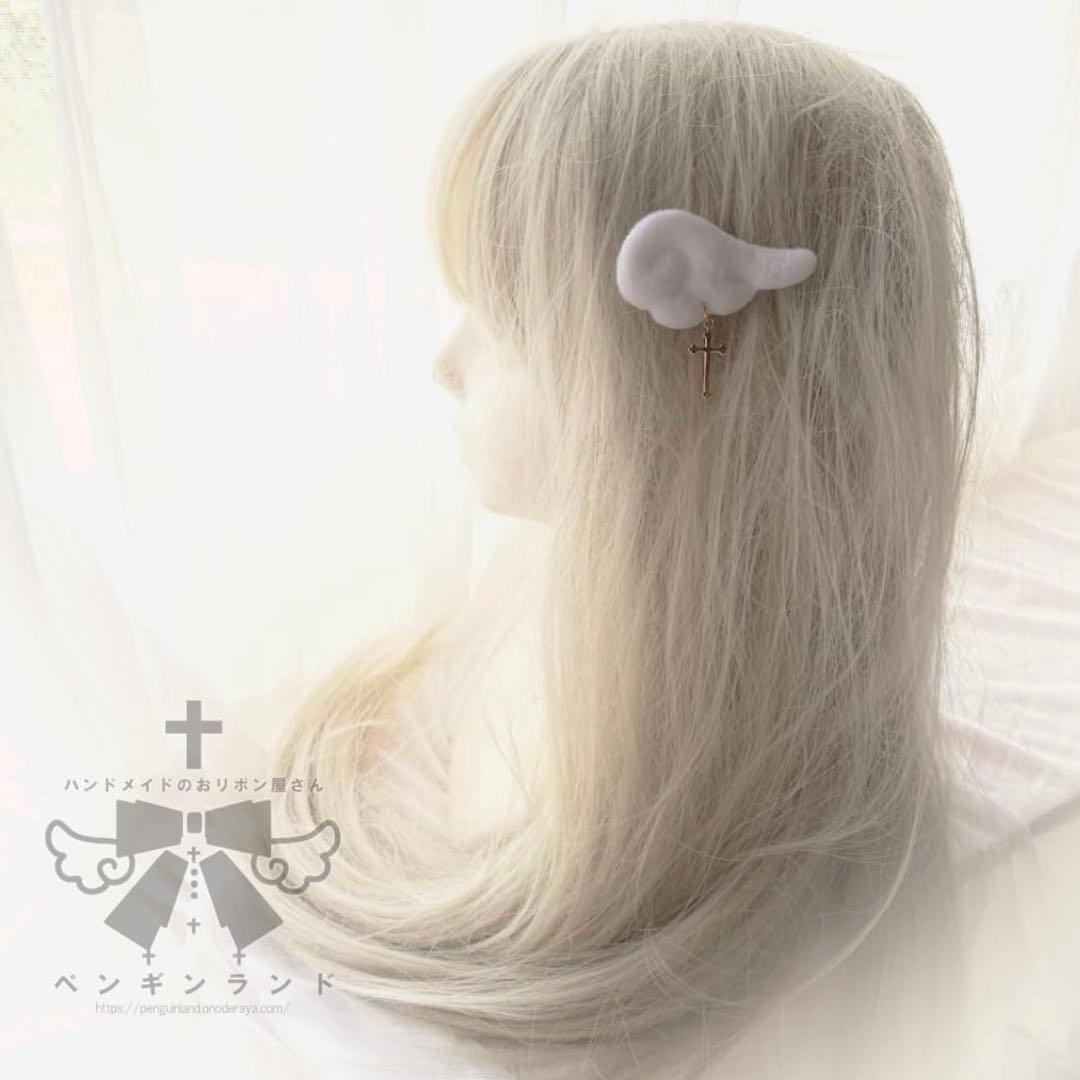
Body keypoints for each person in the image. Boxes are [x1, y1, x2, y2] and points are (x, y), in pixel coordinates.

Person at [260, 19, 1079, 1078]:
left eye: (506, 323)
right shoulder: (535, 628)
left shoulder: (652, 773)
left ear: (687, 376)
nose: (446, 362)